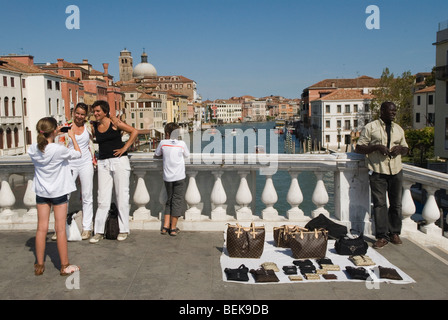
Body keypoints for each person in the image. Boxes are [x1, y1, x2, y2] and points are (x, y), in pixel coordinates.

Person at [28, 117, 81, 276]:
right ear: (53, 131)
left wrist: (54, 134)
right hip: (58, 192)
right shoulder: (58, 149)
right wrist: (71, 136)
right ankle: (64, 266)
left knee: (41, 228)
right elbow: (78, 154)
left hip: (42, 192)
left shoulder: (32, 149)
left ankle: (39, 264)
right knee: (60, 229)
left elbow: (43, 147)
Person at [355, 101, 409, 249]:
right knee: (380, 205)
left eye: (395, 111)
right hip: (378, 171)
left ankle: (394, 233)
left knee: (396, 204)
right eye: (391, 111)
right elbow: (359, 147)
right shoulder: (371, 127)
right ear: (382, 111)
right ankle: (381, 236)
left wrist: (400, 149)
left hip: (396, 170)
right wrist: (376, 147)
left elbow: (406, 149)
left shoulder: (399, 129)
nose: (394, 113)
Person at [89, 100, 138, 244]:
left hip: (119, 161)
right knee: (102, 198)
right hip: (103, 162)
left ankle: (123, 230)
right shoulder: (94, 126)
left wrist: (125, 148)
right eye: (94, 111)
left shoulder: (115, 123)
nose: (95, 113)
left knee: (121, 196)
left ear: (105, 111)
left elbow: (134, 131)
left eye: (98, 111)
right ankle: (98, 231)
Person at [55, 103, 96, 240]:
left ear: (86, 115)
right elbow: (59, 145)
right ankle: (60, 228)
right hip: (69, 164)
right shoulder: (66, 127)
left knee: (87, 195)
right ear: (73, 113)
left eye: (82, 114)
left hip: (86, 163)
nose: (79, 116)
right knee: (64, 195)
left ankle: (87, 228)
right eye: (77, 113)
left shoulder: (89, 127)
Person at [155, 122, 190, 236]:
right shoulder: (182, 144)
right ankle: (173, 228)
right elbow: (187, 155)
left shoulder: (163, 143)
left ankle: (165, 227)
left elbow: (157, 154)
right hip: (179, 176)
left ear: (167, 133)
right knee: (177, 201)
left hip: (168, 177)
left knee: (169, 200)